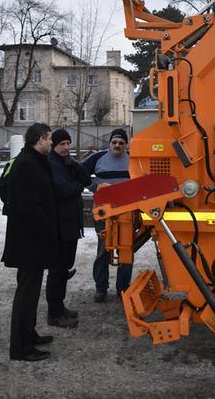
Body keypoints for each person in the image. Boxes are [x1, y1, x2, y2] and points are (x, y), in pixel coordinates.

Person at [1, 123, 58, 362]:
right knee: (26, 295)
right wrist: (47, 231)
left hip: (33, 243)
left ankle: (29, 334)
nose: (52, 144)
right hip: (29, 244)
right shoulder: (26, 164)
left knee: (32, 293)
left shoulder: (33, 161)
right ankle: (21, 348)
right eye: (50, 139)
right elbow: (29, 207)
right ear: (41, 139)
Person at [46, 129, 91, 327]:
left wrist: (75, 164)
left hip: (70, 224)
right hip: (60, 226)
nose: (65, 148)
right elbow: (62, 190)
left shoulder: (66, 162)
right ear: (53, 145)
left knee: (64, 268)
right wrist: (78, 186)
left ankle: (59, 306)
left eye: (67, 143)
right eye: (61, 144)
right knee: (57, 270)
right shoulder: (52, 164)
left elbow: (87, 179)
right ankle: (54, 314)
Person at [83, 128, 132, 302]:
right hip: (103, 210)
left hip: (127, 210)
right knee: (103, 248)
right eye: (114, 142)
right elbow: (80, 173)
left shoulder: (133, 159)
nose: (117, 145)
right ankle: (101, 288)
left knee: (126, 249)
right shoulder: (98, 158)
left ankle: (123, 288)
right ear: (109, 143)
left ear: (126, 145)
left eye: (121, 143)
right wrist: (95, 187)